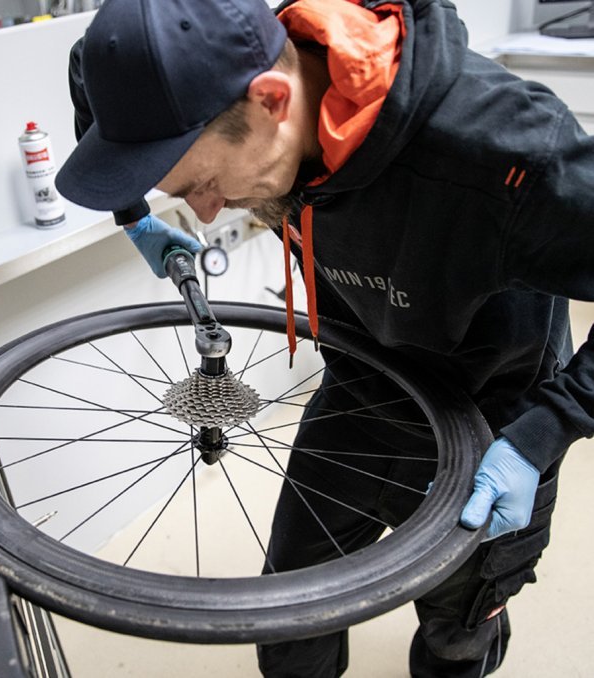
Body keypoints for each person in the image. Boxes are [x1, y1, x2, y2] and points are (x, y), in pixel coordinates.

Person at [55, 0, 594, 675]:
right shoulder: (248, 91)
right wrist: (130, 212)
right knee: (286, 614)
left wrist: (547, 430)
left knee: (456, 631)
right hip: (358, 388)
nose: (206, 211)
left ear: (271, 100)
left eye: (205, 183)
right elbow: (91, 65)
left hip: (492, 419)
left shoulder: (504, 151)